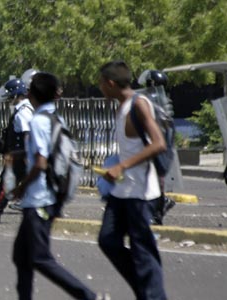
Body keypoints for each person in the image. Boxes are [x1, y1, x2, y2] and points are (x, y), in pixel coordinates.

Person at [10, 72, 97, 300]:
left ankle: (87, 296)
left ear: (31, 94)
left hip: (40, 198)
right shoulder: (55, 118)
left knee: (39, 258)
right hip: (47, 195)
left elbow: (40, 162)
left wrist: (21, 186)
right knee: (21, 256)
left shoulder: (38, 121)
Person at [98, 60, 167, 299]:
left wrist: (122, 166)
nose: (100, 89)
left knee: (143, 252)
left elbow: (159, 144)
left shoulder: (139, 105)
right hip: (122, 191)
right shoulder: (122, 106)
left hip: (141, 193)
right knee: (108, 240)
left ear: (110, 83)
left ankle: (153, 295)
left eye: (101, 84)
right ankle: (145, 290)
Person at [0, 78, 33, 224]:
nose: (8, 99)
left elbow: (28, 134)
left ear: (16, 95)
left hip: (20, 156)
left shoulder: (23, 112)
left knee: (6, 185)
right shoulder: (24, 109)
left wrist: (27, 155)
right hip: (21, 155)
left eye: (10, 96)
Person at [138, 69, 176, 225]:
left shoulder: (160, 100)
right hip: (158, 137)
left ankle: (159, 208)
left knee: (157, 174)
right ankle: (158, 205)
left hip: (159, 138)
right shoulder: (153, 98)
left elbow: (161, 122)